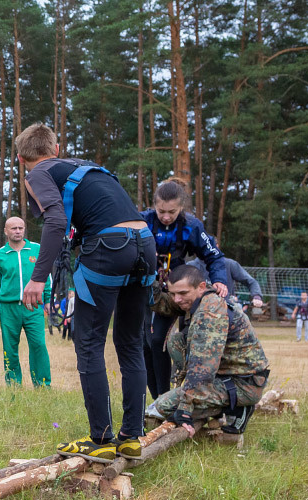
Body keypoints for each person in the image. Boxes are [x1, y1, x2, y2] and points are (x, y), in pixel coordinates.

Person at [16, 122, 153, 461]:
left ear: (22, 159)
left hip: (108, 247)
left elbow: (56, 221)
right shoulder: (84, 167)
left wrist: (38, 277)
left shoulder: (37, 173)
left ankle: (102, 439)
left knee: (88, 343)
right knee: (131, 343)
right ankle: (132, 435)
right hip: (145, 243)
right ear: (57, 149)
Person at [145, 262, 270, 434]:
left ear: (201, 287)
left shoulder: (209, 313)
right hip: (225, 374)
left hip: (243, 385)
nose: (177, 299)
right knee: (176, 340)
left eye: (182, 293)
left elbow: (202, 367)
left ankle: (237, 408)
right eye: (173, 293)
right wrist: (148, 277)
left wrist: (185, 407)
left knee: (164, 406)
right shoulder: (198, 298)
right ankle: (213, 402)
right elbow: (164, 304)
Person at [143, 180, 229, 399]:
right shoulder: (142, 221)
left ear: (181, 207)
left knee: (159, 341)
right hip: (143, 288)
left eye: (172, 211)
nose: (165, 216)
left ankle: (167, 397)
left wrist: (219, 280)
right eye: (161, 211)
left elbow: (214, 256)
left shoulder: (191, 226)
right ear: (154, 205)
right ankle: (157, 399)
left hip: (174, 293)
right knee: (143, 345)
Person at [0, 215, 51, 386]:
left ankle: (43, 384)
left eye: (20, 228)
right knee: (10, 348)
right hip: (9, 307)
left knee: (38, 345)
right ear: (6, 231)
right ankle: (14, 384)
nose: (17, 231)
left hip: (34, 306)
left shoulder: (37, 249)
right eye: (13, 228)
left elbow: (46, 277)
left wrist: (49, 300)